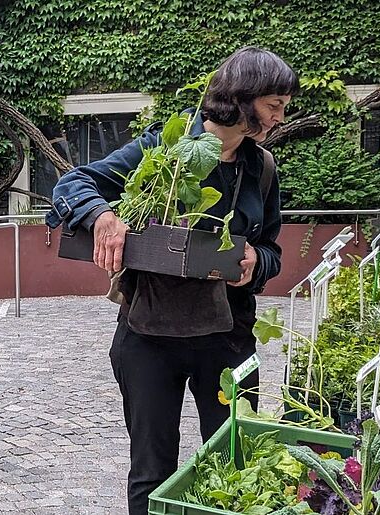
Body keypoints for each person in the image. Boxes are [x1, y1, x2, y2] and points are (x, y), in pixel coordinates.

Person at [46, 46, 297, 515]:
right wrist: (102, 216)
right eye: (274, 106)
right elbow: (73, 184)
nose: (280, 118)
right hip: (149, 335)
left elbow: (272, 251)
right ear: (242, 99)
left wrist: (253, 263)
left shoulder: (261, 169)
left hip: (228, 338)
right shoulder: (163, 150)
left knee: (234, 460)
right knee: (151, 469)